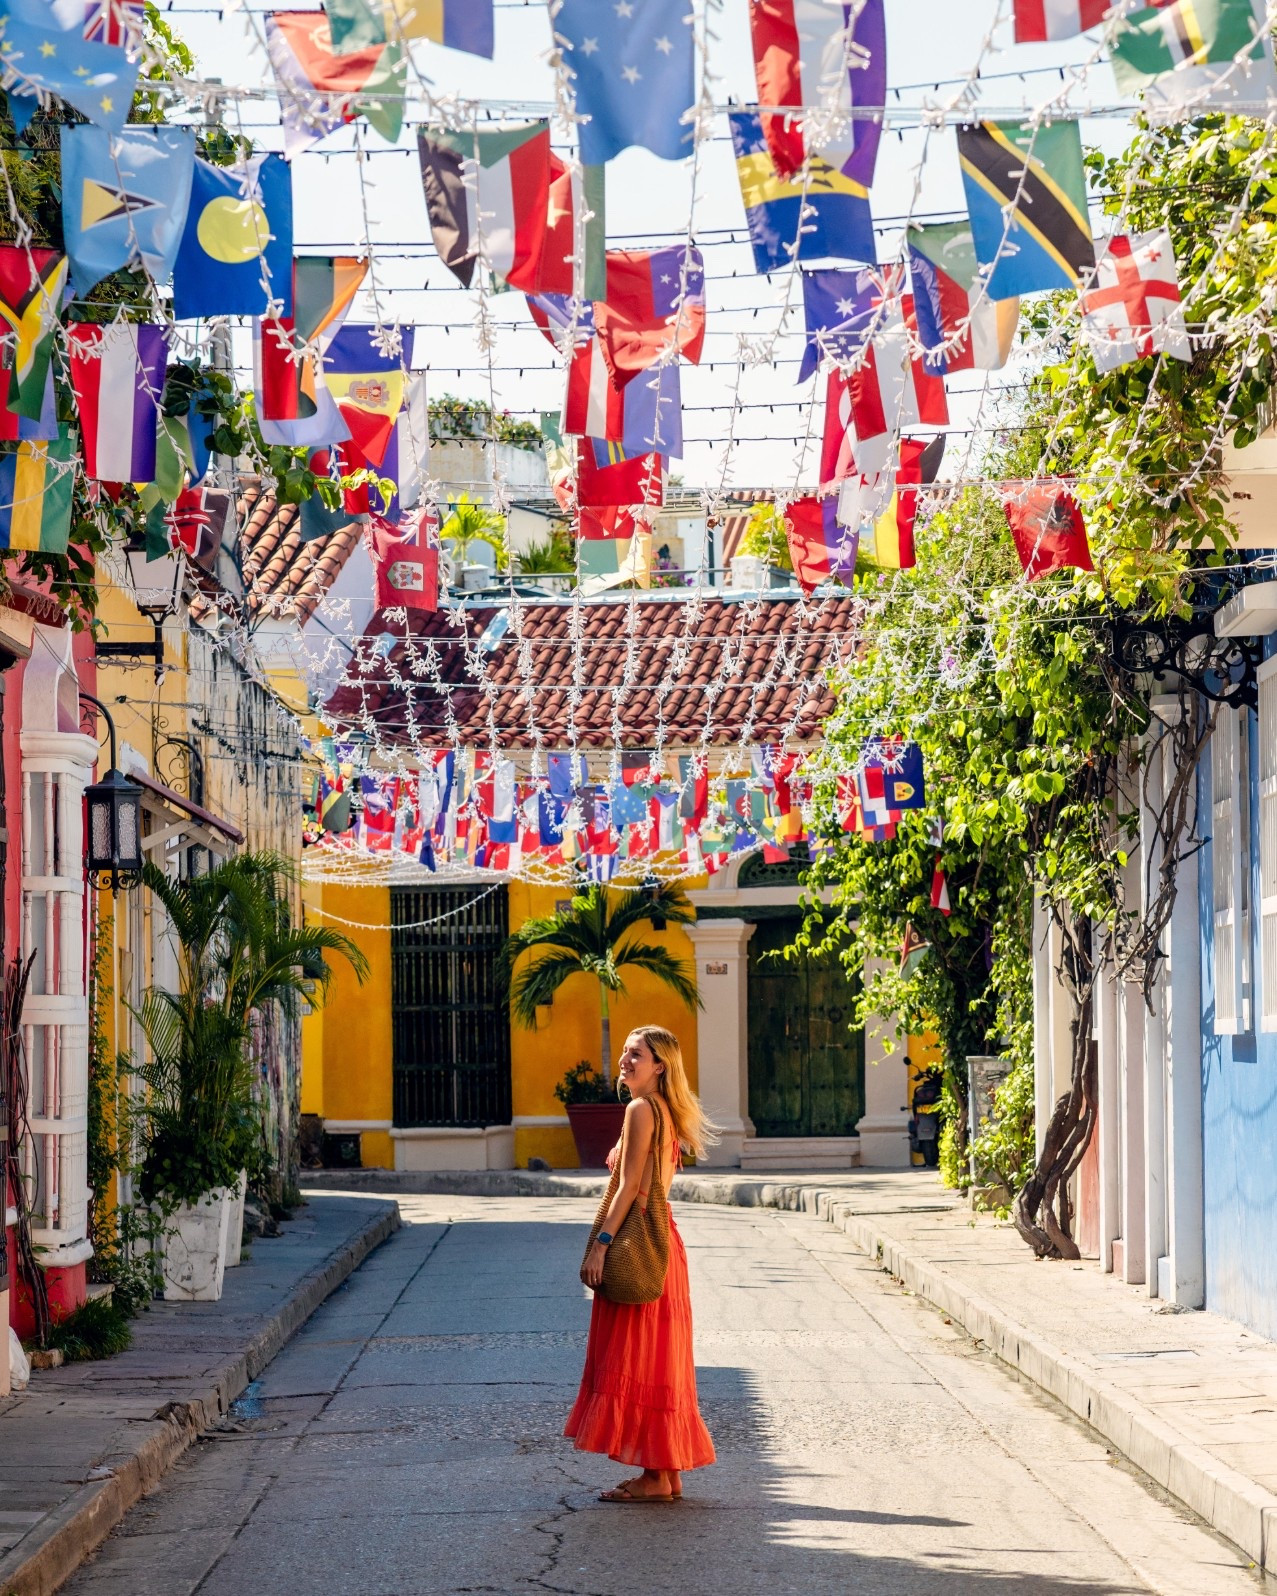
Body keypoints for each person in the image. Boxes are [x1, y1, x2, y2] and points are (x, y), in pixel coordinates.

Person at [564, 1024, 717, 1503]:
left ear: (659, 1066)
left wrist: (600, 1245)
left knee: (639, 1355)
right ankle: (665, 1473)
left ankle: (655, 1478)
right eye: (627, 1053)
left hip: (637, 1244)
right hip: (664, 1246)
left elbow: (630, 1186)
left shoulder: (639, 1109)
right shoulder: (665, 1112)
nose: (626, 1061)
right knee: (659, 1360)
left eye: (637, 1055)